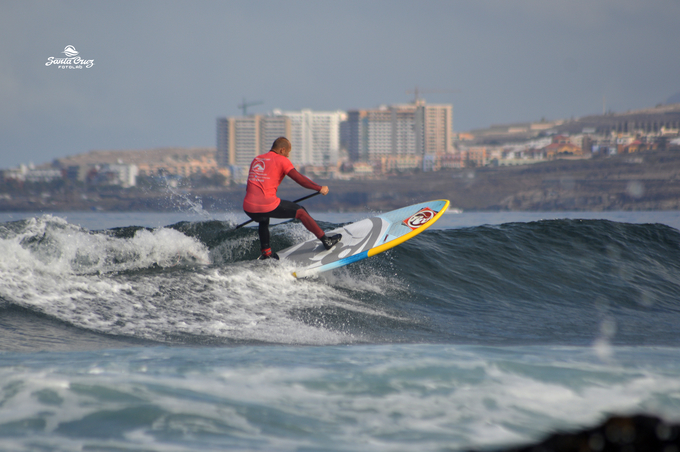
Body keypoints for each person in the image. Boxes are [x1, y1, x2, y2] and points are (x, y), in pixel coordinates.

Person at [243, 137, 342, 260]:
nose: (288, 155)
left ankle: (266, 253)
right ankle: (326, 241)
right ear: (282, 150)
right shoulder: (282, 160)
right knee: (301, 212)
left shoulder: (257, 159)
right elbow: (300, 179)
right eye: (288, 152)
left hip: (248, 206)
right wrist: (319, 188)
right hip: (267, 204)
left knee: (263, 219)